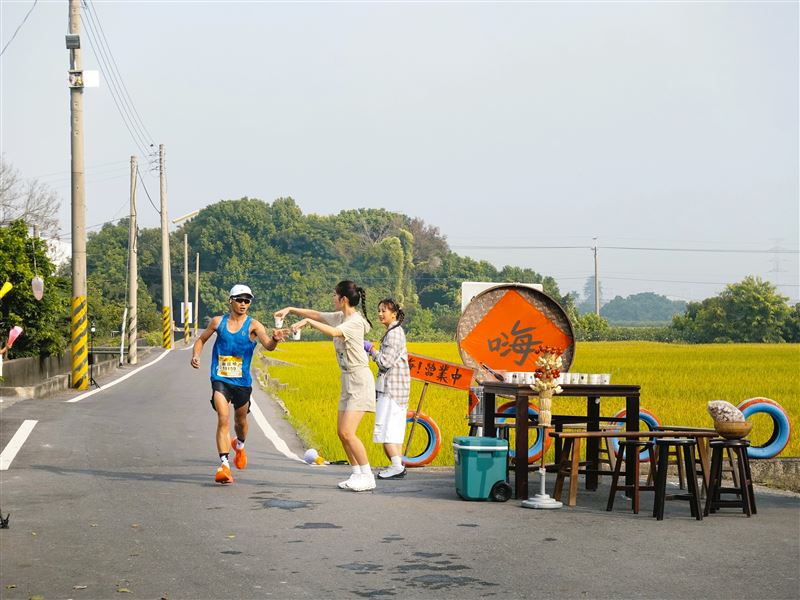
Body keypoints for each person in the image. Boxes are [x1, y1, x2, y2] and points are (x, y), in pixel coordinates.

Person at [275, 280, 377, 492]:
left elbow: (334, 333)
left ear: (343, 299)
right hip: (347, 379)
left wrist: (307, 323)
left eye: (334, 295)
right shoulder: (340, 316)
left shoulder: (354, 322)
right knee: (341, 432)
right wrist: (292, 310)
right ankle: (356, 473)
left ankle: (367, 475)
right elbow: (317, 314)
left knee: (349, 432)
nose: (332, 298)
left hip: (359, 380)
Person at [191, 284, 287, 485]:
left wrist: (275, 340)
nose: (243, 304)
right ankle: (224, 465)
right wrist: (196, 355)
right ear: (230, 301)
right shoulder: (218, 322)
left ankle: (240, 446)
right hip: (220, 379)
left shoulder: (254, 326)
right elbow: (201, 340)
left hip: (242, 382)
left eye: (247, 301)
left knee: (240, 422)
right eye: (240, 300)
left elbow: (268, 345)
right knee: (223, 418)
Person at [364, 298, 410, 479]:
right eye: (379, 310)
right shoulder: (394, 331)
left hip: (391, 390)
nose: (380, 314)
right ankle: (396, 465)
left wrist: (371, 350)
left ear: (394, 314)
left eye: (384, 311)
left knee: (387, 431)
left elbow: (385, 362)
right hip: (397, 390)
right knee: (394, 431)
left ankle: (397, 466)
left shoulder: (394, 334)